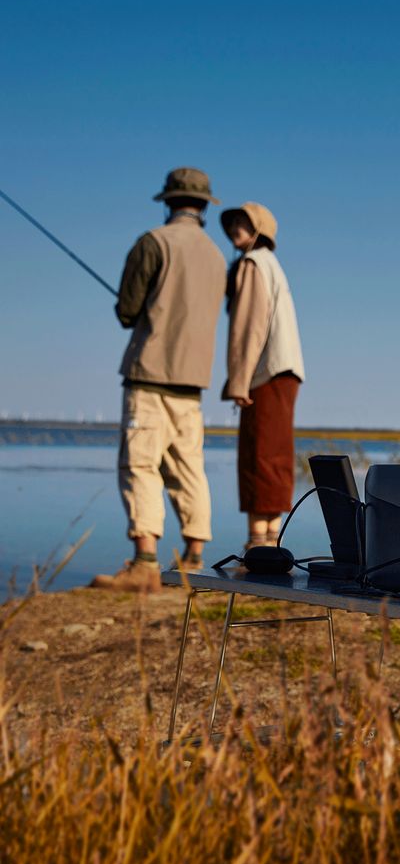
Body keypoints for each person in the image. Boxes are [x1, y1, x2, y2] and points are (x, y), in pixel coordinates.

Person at [91, 168, 226, 592]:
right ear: (204, 207)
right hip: (193, 380)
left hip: (150, 373)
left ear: (169, 201)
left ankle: (145, 563)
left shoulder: (153, 242)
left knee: (141, 464)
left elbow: (127, 310)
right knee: (189, 468)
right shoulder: (217, 256)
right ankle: (194, 559)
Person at [220, 202, 305, 550]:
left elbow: (248, 327)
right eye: (233, 222)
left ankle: (259, 544)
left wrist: (239, 379)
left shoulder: (254, 264)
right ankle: (269, 540)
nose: (235, 228)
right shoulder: (273, 265)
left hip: (266, 372)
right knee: (275, 454)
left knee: (260, 455)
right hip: (283, 370)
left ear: (259, 229)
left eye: (244, 222)